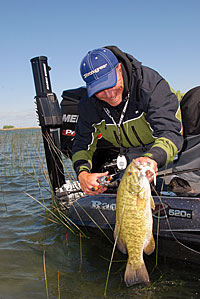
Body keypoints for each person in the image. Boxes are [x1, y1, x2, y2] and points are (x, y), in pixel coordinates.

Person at [72, 46, 183, 195]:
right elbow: (81, 144)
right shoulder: (89, 104)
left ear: (118, 68)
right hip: (129, 157)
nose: (109, 94)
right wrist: (83, 174)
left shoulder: (149, 85)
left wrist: (152, 158)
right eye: (99, 89)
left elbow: (169, 132)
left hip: (161, 150)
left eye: (110, 83)